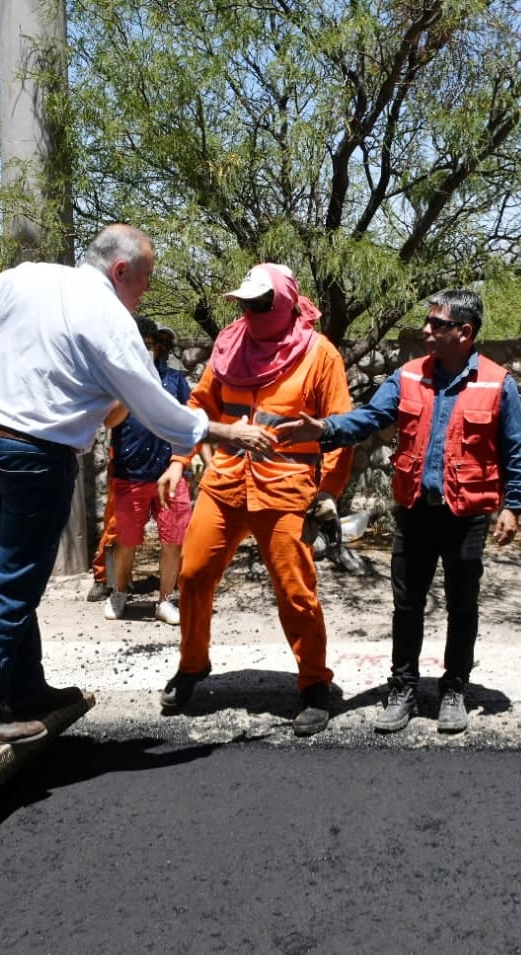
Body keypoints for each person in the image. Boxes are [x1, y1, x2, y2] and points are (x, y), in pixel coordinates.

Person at [0, 225, 273, 750]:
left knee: (11, 575)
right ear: (121, 270)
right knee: (16, 584)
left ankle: (28, 689)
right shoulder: (111, 320)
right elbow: (156, 408)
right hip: (34, 459)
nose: (147, 291)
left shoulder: (28, 278)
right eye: (147, 278)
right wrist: (223, 431)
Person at [278, 288, 521, 735]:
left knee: (462, 605)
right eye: (429, 323)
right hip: (414, 511)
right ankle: (403, 688)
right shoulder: (409, 376)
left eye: (438, 324)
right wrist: (324, 429)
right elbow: (369, 418)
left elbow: (518, 450)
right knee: (407, 605)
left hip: (466, 516)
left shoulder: (498, 382)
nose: (427, 331)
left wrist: (513, 506)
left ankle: (454, 688)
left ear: (465, 331)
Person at [160, 263, 352, 736]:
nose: (251, 310)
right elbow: (199, 408)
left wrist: (329, 490)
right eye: (245, 302)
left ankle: (313, 683)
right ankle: (192, 664)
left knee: (294, 590)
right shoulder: (230, 344)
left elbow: (341, 428)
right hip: (226, 483)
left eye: (261, 303)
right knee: (193, 574)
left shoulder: (319, 354)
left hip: (287, 490)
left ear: (284, 302)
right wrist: (178, 461)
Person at [101, 317, 191, 626]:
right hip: (131, 474)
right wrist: (130, 391)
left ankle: (165, 600)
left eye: (149, 345)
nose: (144, 350)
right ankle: (120, 592)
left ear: (158, 347)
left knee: (173, 541)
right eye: (138, 345)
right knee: (126, 540)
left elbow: (186, 423)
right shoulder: (116, 381)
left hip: (171, 475)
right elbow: (109, 422)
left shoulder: (175, 381)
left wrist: (182, 463)